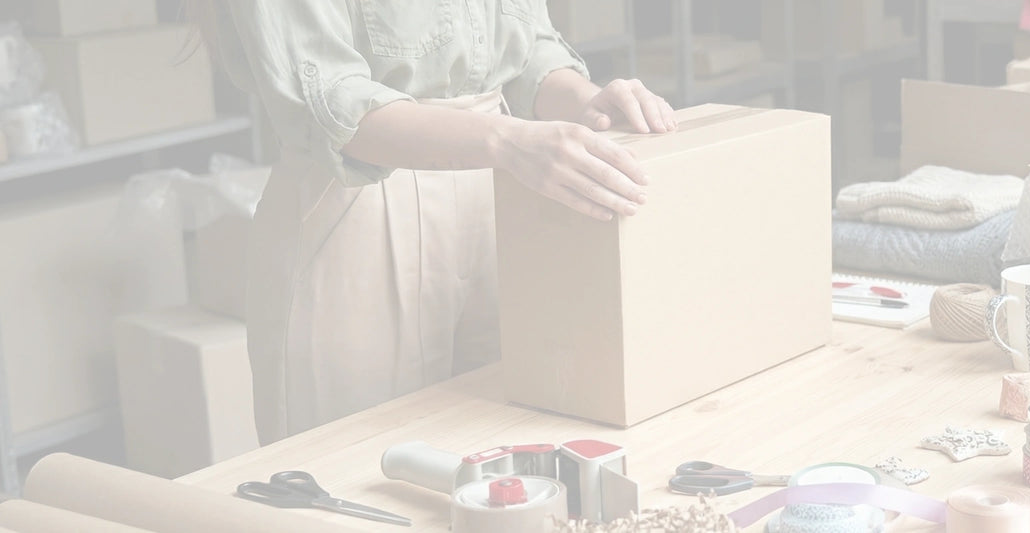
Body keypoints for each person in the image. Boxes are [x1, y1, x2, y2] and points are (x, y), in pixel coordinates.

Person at [189, 0, 676, 443]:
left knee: (512, 454)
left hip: (504, 189)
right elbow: (334, 103)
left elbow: (528, 51)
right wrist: (510, 141)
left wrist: (589, 104)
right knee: (358, 468)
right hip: (362, 197)